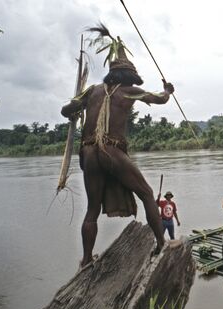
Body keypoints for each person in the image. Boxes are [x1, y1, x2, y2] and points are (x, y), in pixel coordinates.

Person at [60, 24, 174, 267]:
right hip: (110, 150)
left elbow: (65, 110)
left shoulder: (92, 91)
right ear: (129, 77)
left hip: (89, 153)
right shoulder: (130, 91)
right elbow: (161, 99)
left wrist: (74, 109)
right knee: (146, 193)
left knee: (92, 210)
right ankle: (162, 244)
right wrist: (168, 90)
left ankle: (86, 259)